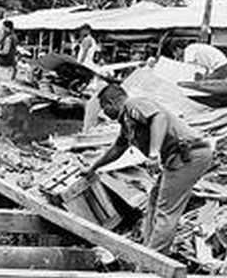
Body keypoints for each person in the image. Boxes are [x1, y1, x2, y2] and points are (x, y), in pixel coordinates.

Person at [83, 84, 214, 254]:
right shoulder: (127, 122)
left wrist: (153, 153)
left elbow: (159, 118)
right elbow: (117, 148)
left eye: (104, 108)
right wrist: (94, 167)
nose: (104, 113)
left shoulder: (134, 104)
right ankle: (148, 248)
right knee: (155, 198)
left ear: (111, 103)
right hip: (178, 158)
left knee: (166, 211)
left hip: (188, 155)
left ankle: (153, 260)